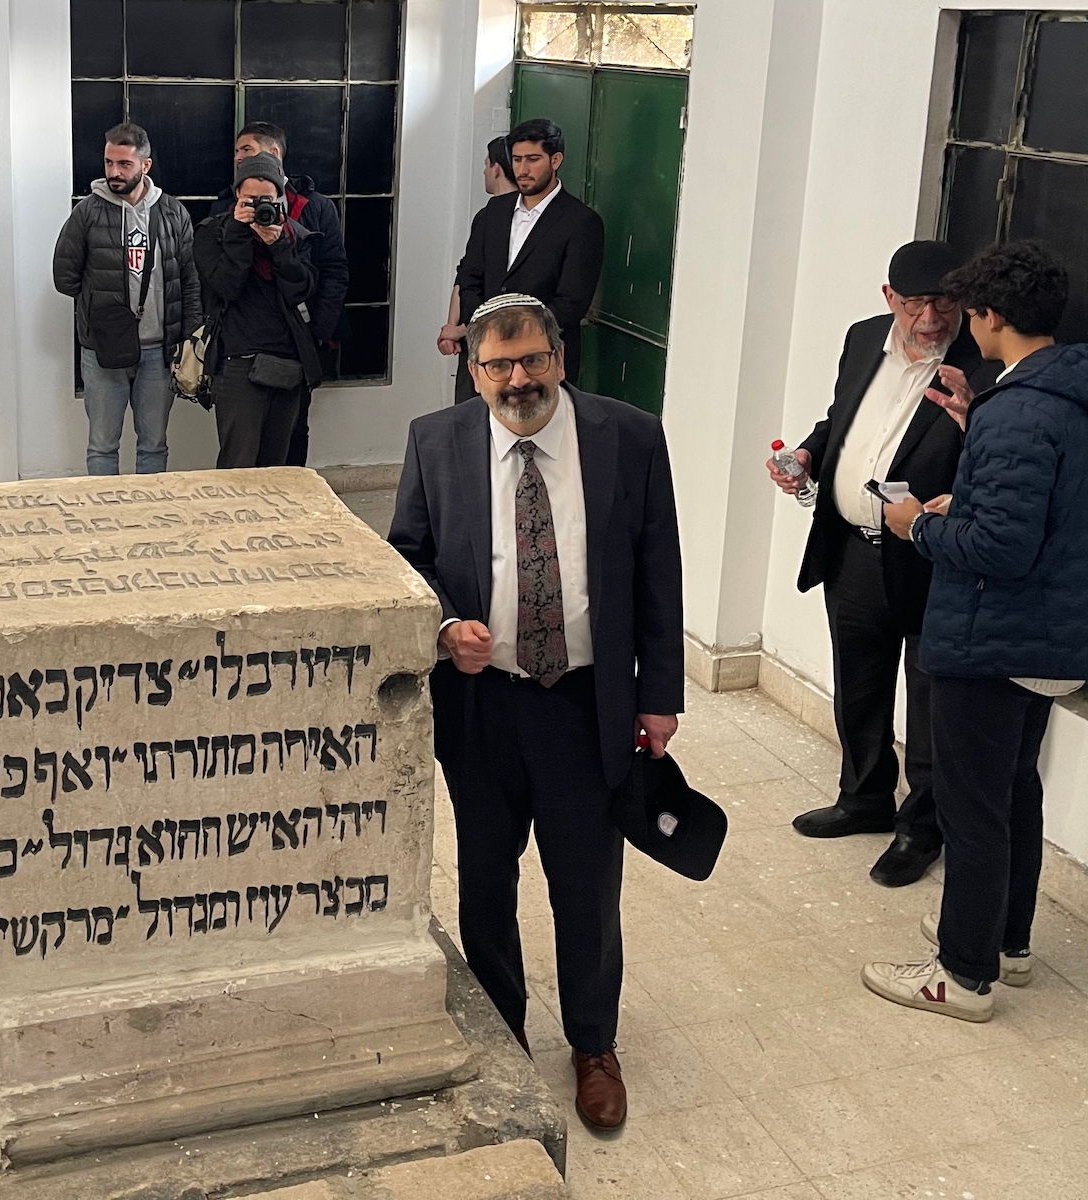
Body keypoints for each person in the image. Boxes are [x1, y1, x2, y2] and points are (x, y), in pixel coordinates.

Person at [387, 293, 683, 1131]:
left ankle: (593, 1043)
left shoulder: (629, 436)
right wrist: (445, 628)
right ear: (473, 372)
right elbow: (407, 555)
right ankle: (502, 1029)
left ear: (560, 357)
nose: (518, 380)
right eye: (498, 365)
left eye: (533, 361)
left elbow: (660, 572)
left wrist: (659, 697)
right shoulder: (435, 441)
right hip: (485, 705)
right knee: (487, 879)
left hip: (587, 706)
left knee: (587, 884)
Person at [865, 240, 1088, 1022]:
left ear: (989, 318)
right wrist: (973, 483)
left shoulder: (1020, 409)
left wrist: (916, 523)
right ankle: (1007, 944)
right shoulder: (1083, 394)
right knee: (1016, 791)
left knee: (972, 809)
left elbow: (1000, 549)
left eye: (971, 314)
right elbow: (1046, 510)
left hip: (1000, 634)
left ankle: (961, 973)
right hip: (1054, 632)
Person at [770, 241, 1002, 888]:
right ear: (888, 300)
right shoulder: (863, 339)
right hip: (851, 550)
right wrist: (811, 455)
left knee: (929, 705)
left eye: (944, 303)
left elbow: (998, 463)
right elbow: (841, 420)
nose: (929, 318)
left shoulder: (981, 366)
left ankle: (920, 827)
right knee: (860, 686)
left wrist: (973, 412)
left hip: (934, 559)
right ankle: (864, 798)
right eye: (914, 303)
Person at [52, 122, 200, 476]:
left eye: (124, 164)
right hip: (104, 350)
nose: (114, 172)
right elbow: (64, 277)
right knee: (102, 446)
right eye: (108, 163)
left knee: (153, 446)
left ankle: (148, 520)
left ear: (145, 166)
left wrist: (191, 339)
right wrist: (99, 309)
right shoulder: (88, 212)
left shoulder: (172, 212)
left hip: (158, 352)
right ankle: (106, 519)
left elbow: (189, 280)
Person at [210, 121, 349, 465]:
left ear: (273, 154)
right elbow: (221, 285)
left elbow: (331, 273)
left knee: (289, 447)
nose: (238, 158)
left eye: (246, 150)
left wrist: (317, 332)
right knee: (239, 455)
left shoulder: (312, 209)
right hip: (240, 348)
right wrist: (238, 232)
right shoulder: (223, 212)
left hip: (298, 344)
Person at [449, 119, 604, 400]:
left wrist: (516, 336)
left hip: (540, 362)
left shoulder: (581, 222)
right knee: (474, 435)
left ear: (555, 160)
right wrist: (488, 326)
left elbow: (572, 303)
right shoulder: (494, 211)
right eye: (517, 159)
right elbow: (469, 277)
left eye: (533, 159)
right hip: (484, 355)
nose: (522, 169)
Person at [196, 154, 320, 470]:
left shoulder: (295, 235)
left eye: (267, 199)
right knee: (238, 464)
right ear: (237, 196)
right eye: (251, 199)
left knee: (275, 467)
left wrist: (278, 246)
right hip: (237, 363)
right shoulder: (213, 233)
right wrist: (239, 235)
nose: (258, 207)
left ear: (280, 197)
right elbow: (226, 287)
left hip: (286, 363)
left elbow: (301, 291)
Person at [436, 136, 517, 366]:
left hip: (494, 339)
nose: (483, 172)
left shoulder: (505, 216)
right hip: (473, 335)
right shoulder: (485, 215)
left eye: (485, 164)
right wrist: (452, 327)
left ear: (496, 168)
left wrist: (458, 329)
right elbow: (466, 273)